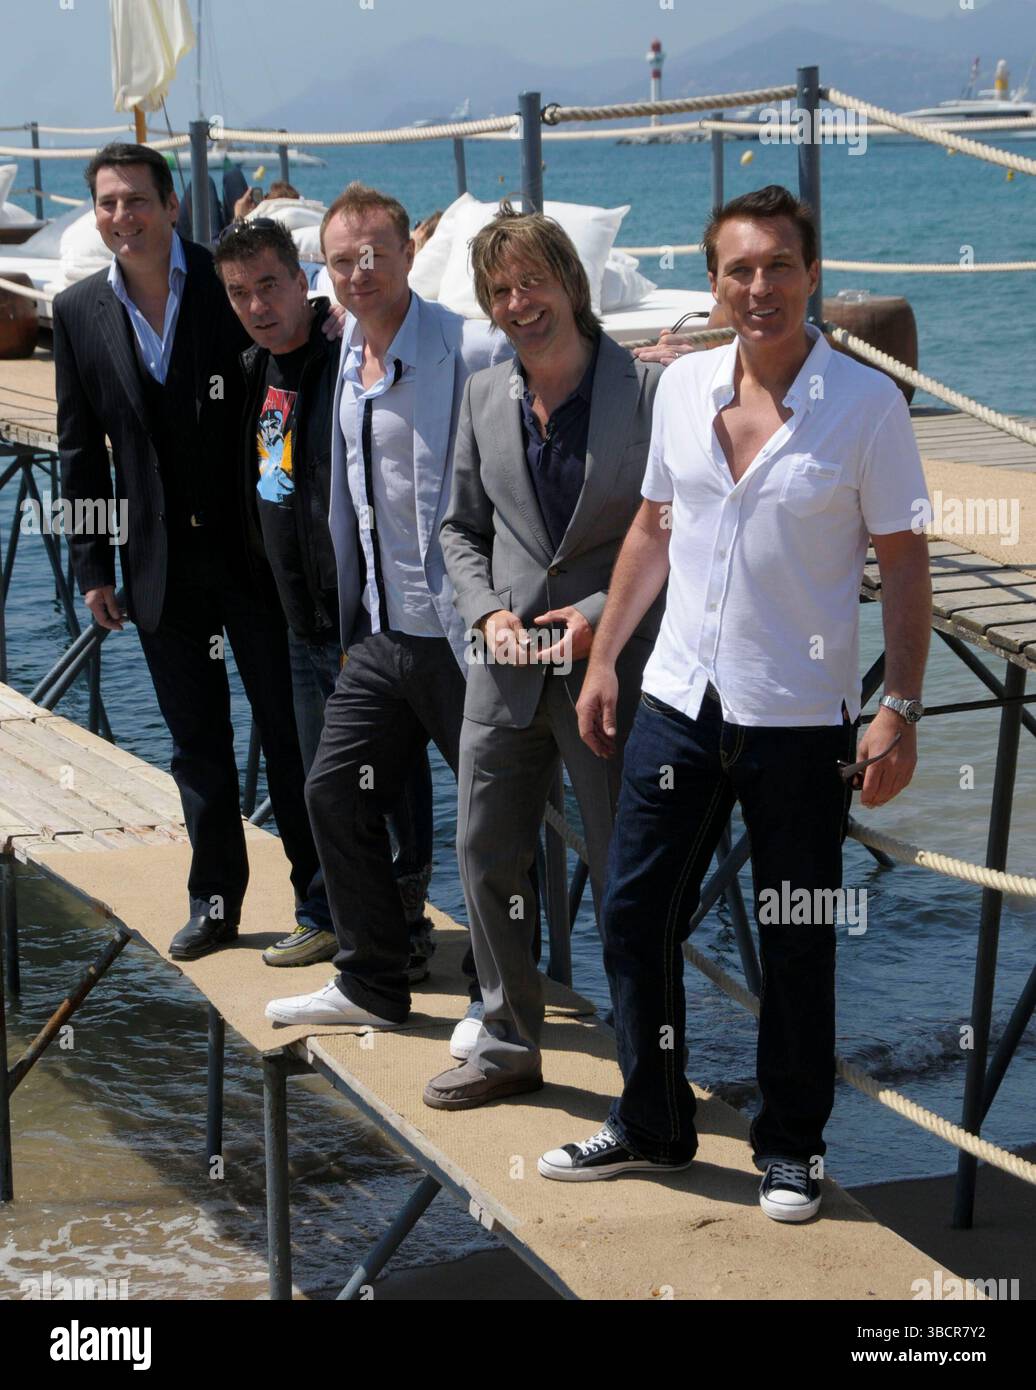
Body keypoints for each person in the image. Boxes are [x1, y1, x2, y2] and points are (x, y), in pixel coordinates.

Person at [539, 185, 932, 1223]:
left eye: (776, 267)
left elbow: (903, 564)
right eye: (736, 269)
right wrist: (605, 657)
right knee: (632, 915)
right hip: (678, 696)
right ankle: (655, 1121)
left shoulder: (866, 407)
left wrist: (898, 705)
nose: (756, 287)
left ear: (810, 276)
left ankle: (790, 1147)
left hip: (799, 716)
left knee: (793, 932)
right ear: (713, 282)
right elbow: (653, 529)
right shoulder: (681, 390)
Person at [53, 143, 329, 960]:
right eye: (106, 203)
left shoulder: (226, 283)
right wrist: (94, 563)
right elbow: (79, 452)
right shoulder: (76, 312)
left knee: (289, 732)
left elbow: (291, 367)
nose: (122, 217)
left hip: (253, 560)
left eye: (136, 200)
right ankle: (214, 902)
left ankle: (322, 899)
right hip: (156, 568)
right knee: (195, 744)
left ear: (172, 206)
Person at [422, 206, 663, 1110]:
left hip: (612, 673)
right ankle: (508, 1041)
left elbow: (674, 530)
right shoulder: (486, 396)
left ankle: (648, 1060)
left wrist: (601, 613)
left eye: (533, 282)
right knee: (485, 854)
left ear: (570, 283)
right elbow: (457, 528)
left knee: (622, 873)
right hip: (505, 672)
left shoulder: (641, 393)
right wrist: (484, 615)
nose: (519, 303)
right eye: (501, 290)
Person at [264, 182, 510, 1030]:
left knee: (490, 825)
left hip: (462, 634)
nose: (359, 271)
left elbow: (558, 389)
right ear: (325, 272)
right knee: (332, 793)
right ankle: (370, 982)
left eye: (374, 253)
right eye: (341, 260)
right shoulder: (343, 351)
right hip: (378, 632)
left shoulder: (472, 347)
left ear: (410, 252)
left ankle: (495, 998)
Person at [213, 216, 438, 975]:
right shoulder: (253, 369)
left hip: (362, 617)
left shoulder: (343, 352)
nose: (257, 304)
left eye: (270, 285)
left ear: (303, 280)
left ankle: (403, 928)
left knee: (384, 783)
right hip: (293, 618)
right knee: (319, 784)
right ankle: (327, 915)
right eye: (239, 293)